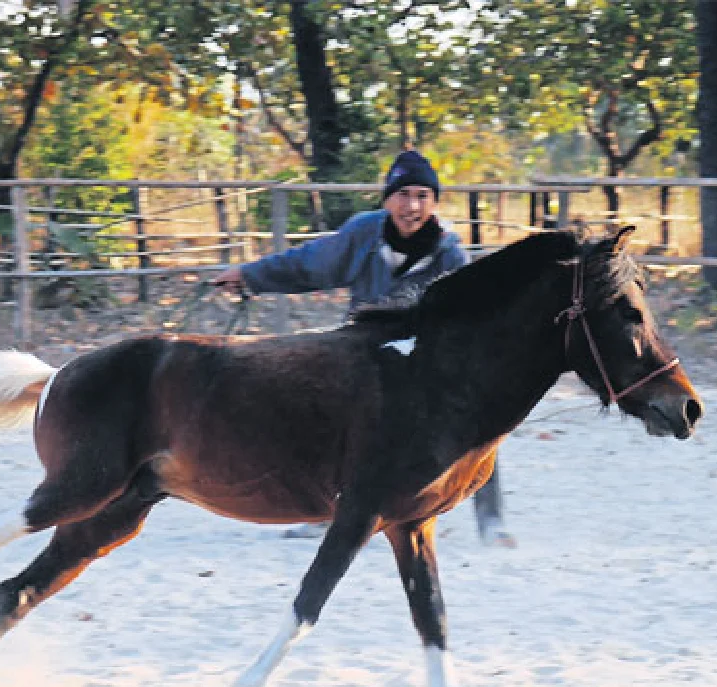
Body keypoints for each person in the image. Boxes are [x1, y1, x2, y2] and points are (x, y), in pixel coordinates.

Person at [213, 149, 514, 547]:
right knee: (323, 419)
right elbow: (308, 264)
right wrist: (249, 276)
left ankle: (491, 521)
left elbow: (469, 317)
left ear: (434, 203)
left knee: (476, 419)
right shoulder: (362, 236)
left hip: (422, 364)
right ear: (387, 199)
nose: (413, 206)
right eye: (404, 195)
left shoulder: (448, 254)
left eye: (423, 196)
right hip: (364, 360)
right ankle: (324, 512)